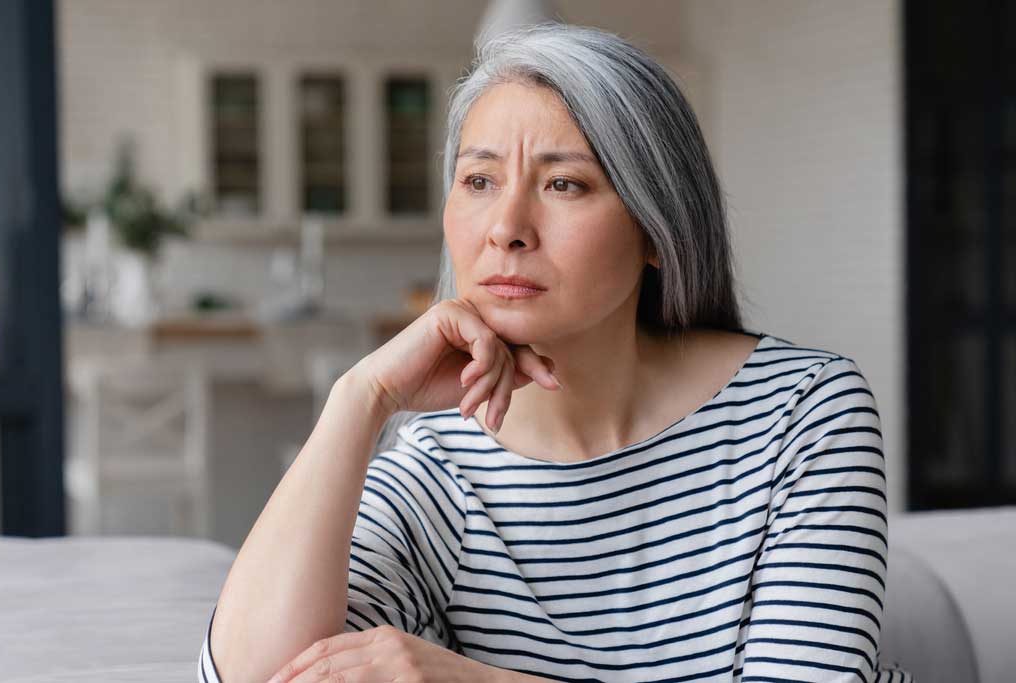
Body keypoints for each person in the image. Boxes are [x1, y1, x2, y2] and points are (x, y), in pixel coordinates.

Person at [200, 22, 914, 683]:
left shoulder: (802, 410)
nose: (505, 227)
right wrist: (359, 399)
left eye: (563, 183)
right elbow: (256, 675)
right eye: (478, 181)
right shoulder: (439, 469)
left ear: (655, 228)